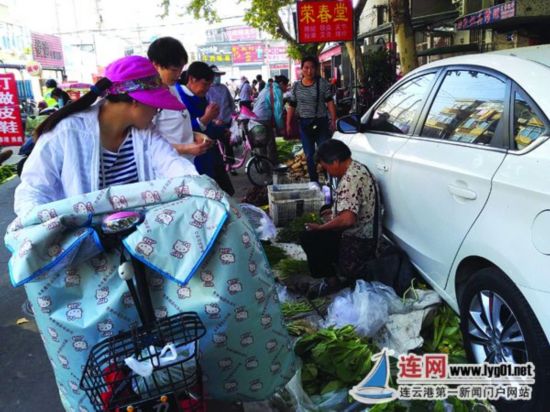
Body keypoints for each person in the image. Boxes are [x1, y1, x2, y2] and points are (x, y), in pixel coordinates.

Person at [14, 55, 197, 216]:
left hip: (139, 242)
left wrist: (199, 186)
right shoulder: (67, 133)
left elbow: (172, 164)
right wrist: (50, 230)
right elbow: (32, 192)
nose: (157, 112)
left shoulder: (145, 132)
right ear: (136, 101)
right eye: (156, 105)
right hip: (85, 247)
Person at [299, 139, 380, 298]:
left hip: (360, 240)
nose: (326, 170)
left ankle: (333, 280)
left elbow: (348, 220)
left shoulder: (351, 180)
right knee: (321, 220)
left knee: (309, 237)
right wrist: (332, 213)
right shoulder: (356, 168)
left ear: (335, 162)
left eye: (325, 166)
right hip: (365, 231)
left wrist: (321, 228)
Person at [148, 36, 211, 162]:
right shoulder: (149, 101)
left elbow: (172, 131)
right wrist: (186, 148)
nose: (178, 75)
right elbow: (148, 144)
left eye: (181, 69)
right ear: (156, 65)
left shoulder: (173, 90)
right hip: (166, 169)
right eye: (174, 70)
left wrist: (194, 136)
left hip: (185, 165)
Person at [177, 62, 235, 195]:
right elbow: (181, 131)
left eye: (209, 84)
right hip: (194, 159)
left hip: (211, 155)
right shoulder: (178, 97)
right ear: (192, 79)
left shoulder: (201, 98)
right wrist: (205, 119)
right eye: (205, 84)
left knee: (226, 192)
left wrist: (222, 131)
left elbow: (208, 127)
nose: (208, 88)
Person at [286, 56, 337, 183]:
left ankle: (329, 179)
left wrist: (334, 119)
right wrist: (288, 123)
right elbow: (292, 105)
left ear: (316, 69)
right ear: (302, 69)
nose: (309, 71)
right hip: (304, 124)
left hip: (321, 123)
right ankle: (314, 182)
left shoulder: (323, 83)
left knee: (324, 153)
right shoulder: (296, 87)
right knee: (309, 155)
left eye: (312, 68)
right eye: (306, 68)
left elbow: (329, 102)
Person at [250, 74, 289, 164]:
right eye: (286, 85)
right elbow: (278, 112)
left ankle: (266, 169)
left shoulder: (266, 88)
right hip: (263, 119)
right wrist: (281, 128)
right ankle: (274, 168)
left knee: (262, 146)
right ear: (281, 83)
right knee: (271, 145)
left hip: (254, 119)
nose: (286, 88)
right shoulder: (277, 90)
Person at [206, 64, 235, 171]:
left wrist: (234, 115)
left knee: (228, 144)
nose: (217, 77)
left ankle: (231, 166)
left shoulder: (224, 88)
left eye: (219, 75)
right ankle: (219, 166)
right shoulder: (207, 90)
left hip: (226, 121)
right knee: (214, 146)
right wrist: (214, 120)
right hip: (213, 123)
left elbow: (231, 103)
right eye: (215, 75)